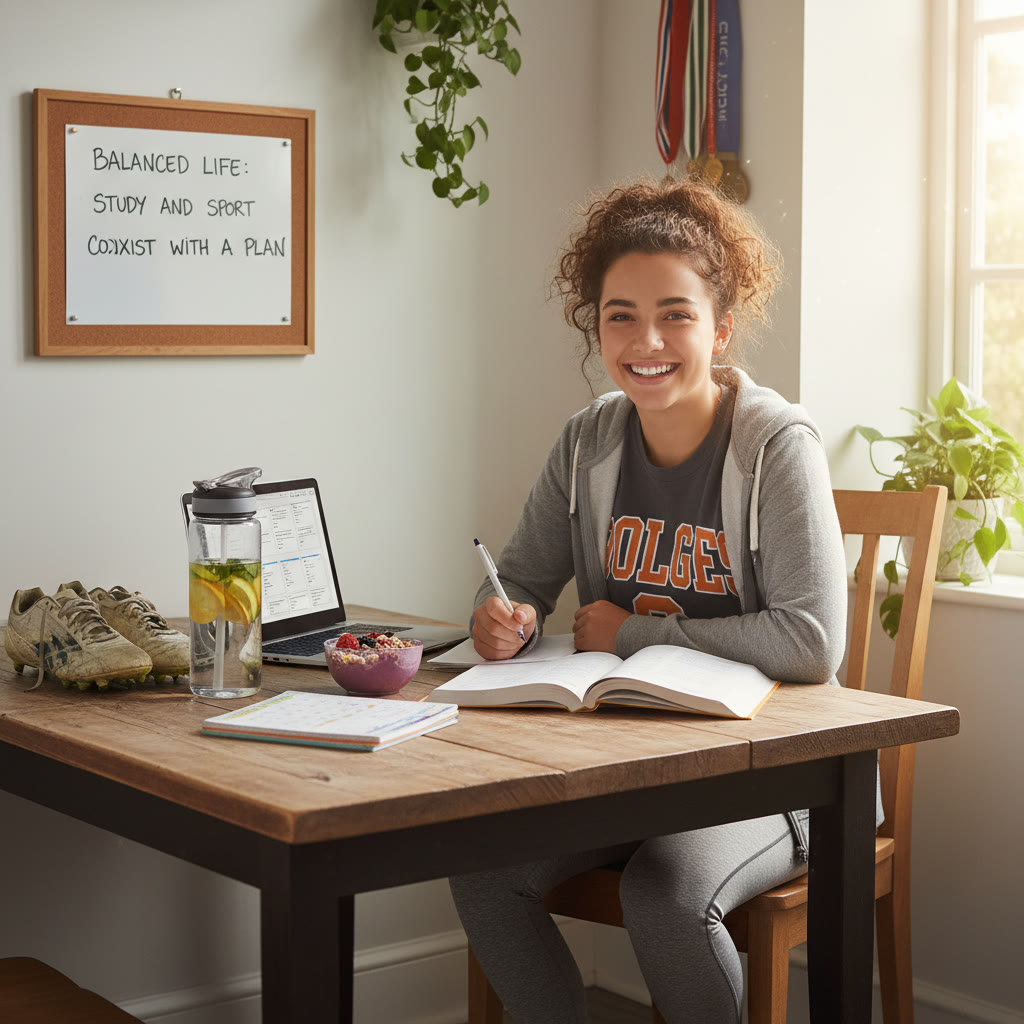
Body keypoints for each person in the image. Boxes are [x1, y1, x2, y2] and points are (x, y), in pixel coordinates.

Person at [448, 177, 855, 1024]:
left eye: (676, 313)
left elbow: (813, 643)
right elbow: (521, 580)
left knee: (663, 893)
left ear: (721, 327)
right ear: (595, 328)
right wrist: (503, 619)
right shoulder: (587, 439)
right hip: (624, 770)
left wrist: (633, 630)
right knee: (483, 870)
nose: (648, 340)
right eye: (620, 315)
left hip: (777, 779)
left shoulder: (777, 445)